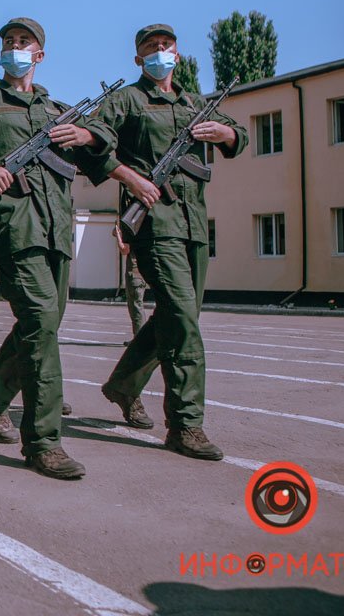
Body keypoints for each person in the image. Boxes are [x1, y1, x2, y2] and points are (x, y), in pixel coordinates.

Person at [0, 17, 112, 480]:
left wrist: (88, 136)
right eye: (8, 41)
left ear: (40, 54)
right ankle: (44, 442)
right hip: (17, 228)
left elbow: (103, 155)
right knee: (40, 322)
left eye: (24, 42)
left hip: (57, 232)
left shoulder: (59, 111)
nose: (15, 48)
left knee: (42, 326)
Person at [90, 24, 247, 461]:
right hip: (155, 225)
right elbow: (93, 143)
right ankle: (185, 425)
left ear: (177, 54)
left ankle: (123, 385)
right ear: (138, 58)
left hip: (194, 223)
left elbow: (240, 136)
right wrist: (130, 179)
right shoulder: (127, 100)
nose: (160, 52)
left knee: (177, 317)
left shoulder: (197, 105)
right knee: (183, 324)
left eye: (166, 46)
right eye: (151, 48)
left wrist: (226, 134)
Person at [114, 222, 150, 345]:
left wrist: (119, 236)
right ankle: (138, 338)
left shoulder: (133, 235)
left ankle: (140, 340)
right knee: (135, 307)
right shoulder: (140, 234)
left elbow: (124, 250)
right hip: (138, 275)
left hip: (134, 276)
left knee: (136, 308)